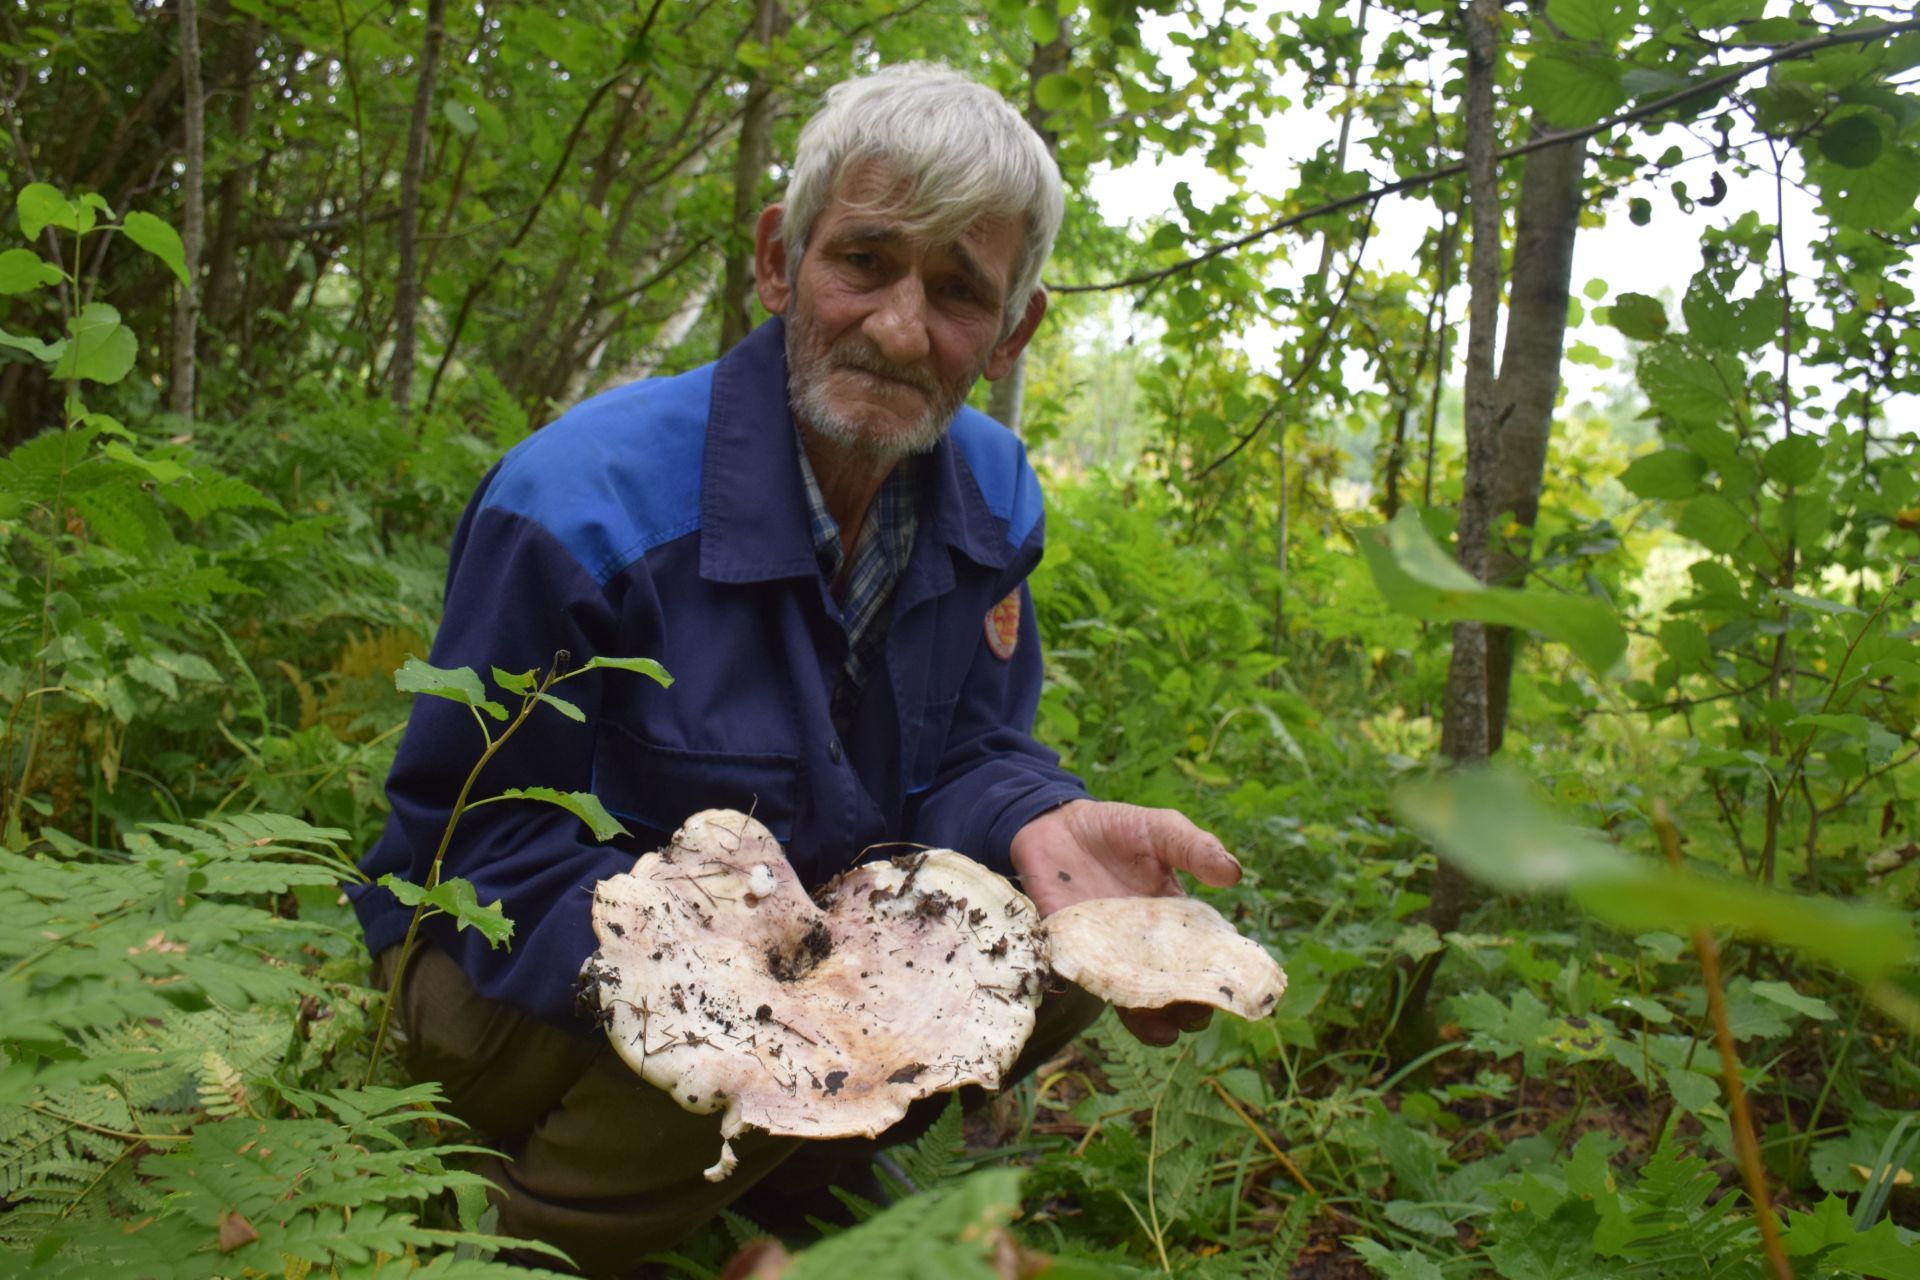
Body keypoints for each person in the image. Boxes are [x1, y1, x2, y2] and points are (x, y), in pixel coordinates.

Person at [350, 62, 1242, 1275]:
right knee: (744, 1047)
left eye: (959, 290)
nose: (897, 325)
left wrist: (1042, 812)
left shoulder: (989, 495)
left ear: (1013, 329)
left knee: (1050, 932)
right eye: (864, 262)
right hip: (511, 971)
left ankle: (797, 1182)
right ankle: (543, 1238)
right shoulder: (580, 508)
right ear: (780, 260)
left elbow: (971, 746)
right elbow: (471, 844)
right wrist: (693, 976)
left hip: (806, 956)